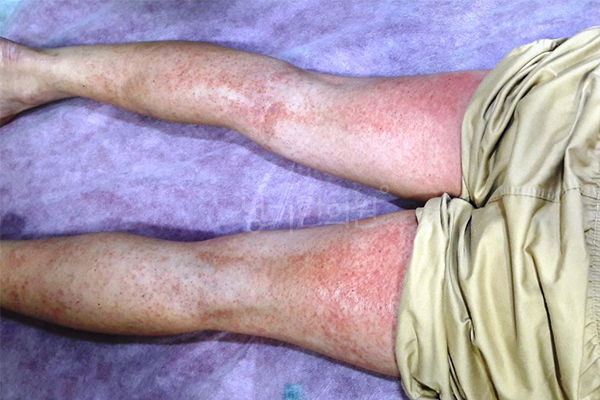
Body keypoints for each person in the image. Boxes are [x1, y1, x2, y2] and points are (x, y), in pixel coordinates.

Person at [0, 27, 598, 399]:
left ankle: (29, 72)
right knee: (214, 285)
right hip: (559, 322)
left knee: (282, 104)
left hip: (575, 159)